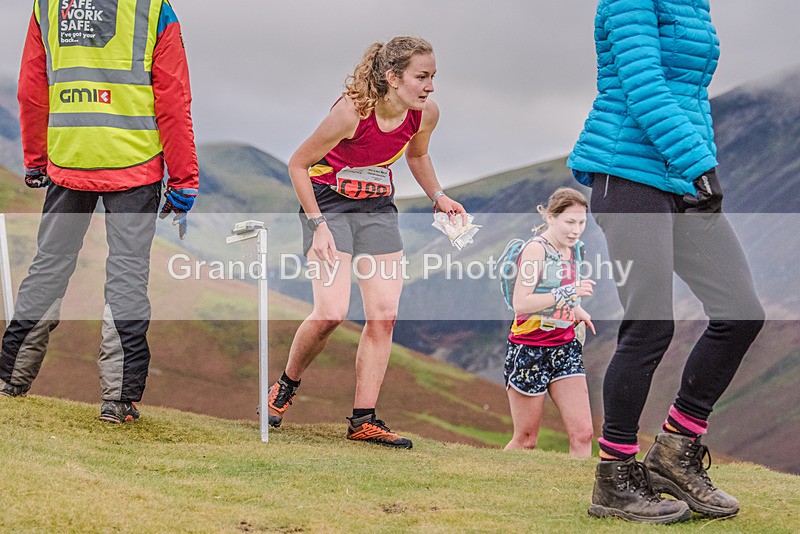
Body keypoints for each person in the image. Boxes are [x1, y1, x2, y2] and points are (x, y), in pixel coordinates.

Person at [568, 0, 764, 524]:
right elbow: (643, 84)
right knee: (650, 325)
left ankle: (676, 449)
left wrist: (697, 164)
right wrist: (700, 165)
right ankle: (615, 477)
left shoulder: (693, 6)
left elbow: (691, 96)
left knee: (741, 312)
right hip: (627, 173)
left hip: (679, 175)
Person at [0, 0, 199, 424]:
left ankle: (9, 379)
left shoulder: (47, 6)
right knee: (126, 275)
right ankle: (117, 401)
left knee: (48, 268)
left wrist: (36, 159)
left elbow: (31, 88)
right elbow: (173, 100)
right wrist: (183, 179)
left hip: (68, 158)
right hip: (134, 164)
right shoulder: (153, 10)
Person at [266, 36, 466, 449]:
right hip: (327, 206)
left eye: (433, 77)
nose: (430, 86)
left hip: (375, 207)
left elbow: (417, 156)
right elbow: (298, 164)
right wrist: (318, 224)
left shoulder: (425, 114)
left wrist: (439, 196)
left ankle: (363, 421)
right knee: (331, 313)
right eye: (421, 77)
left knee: (383, 316)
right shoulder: (351, 113)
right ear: (393, 77)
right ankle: (284, 386)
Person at [502, 187, 595, 457]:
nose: (576, 230)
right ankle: (493, 485)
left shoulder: (575, 250)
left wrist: (577, 310)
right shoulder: (535, 250)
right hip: (529, 349)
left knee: (583, 434)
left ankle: (575, 493)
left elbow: (563, 289)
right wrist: (569, 293)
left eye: (582, 223)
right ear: (551, 218)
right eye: (569, 222)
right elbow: (521, 303)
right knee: (526, 440)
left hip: (565, 346)